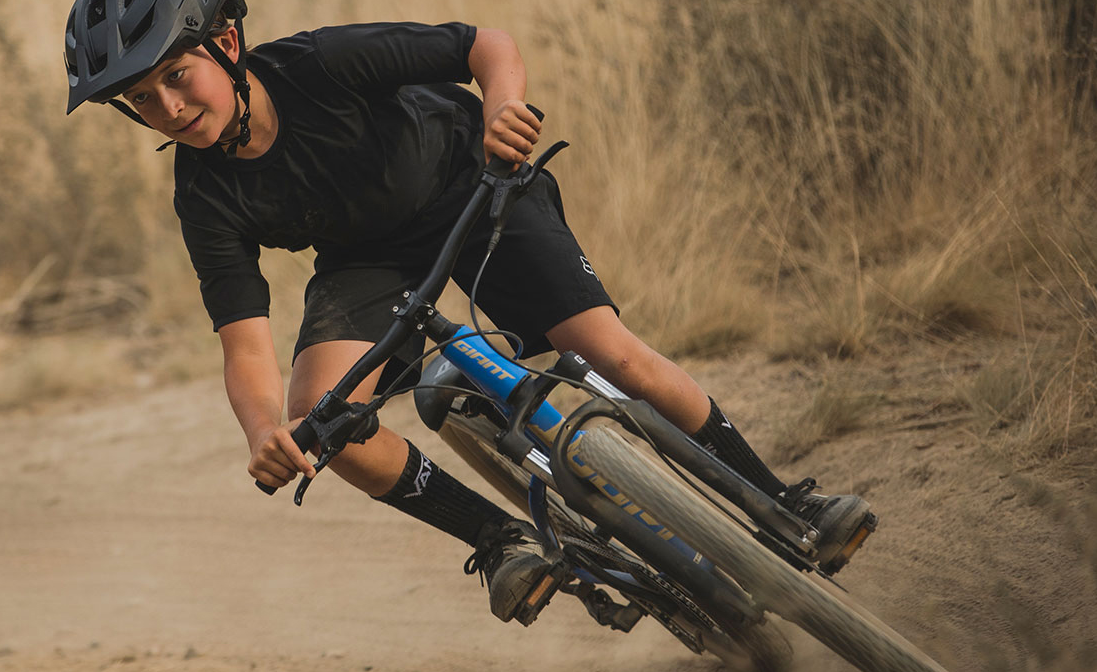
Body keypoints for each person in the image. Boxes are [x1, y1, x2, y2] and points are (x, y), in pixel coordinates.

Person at [62, 0, 877, 625]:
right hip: (368, 260)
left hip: (472, 184)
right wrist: (260, 432)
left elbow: (483, 46)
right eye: (141, 98)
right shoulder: (203, 195)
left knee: (607, 351)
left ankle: (786, 504)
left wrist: (501, 114)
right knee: (321, 413)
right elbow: (244, 346)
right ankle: (500, 542)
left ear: (227, 46)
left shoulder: (319, 64)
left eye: (177, 75)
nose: (167, 106)